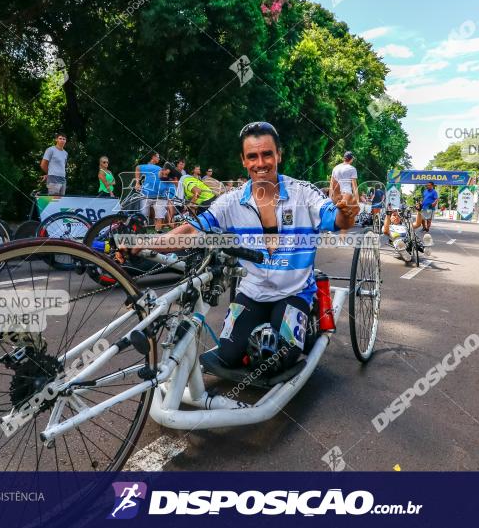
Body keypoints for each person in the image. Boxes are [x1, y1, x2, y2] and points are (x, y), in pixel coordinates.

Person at [136, 121, 359, 371]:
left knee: (275, 360)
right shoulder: (231, 201)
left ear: (278, 155)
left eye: (267, 154)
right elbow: (192, 229)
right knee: (229, 355)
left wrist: (347, 212)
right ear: (244, 160)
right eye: (252, 156)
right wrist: (147, 243)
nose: (260, 163)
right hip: (252, 293)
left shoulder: (303, 193)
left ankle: (308, 318)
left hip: (294, 293)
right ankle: (259, 328)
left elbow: (338, 220)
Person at [135, 152, 161, 220]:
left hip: (156, 194)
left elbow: (137, 168)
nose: (159, 159)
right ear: (153, 157)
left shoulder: (159, 168)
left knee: (156, 214)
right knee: (144, 214)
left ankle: (155, 228)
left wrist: (137, 183)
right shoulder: (149, 166)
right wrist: (137, 183)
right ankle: (144, 227)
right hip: (146, 193)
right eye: (158, 157)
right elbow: (137, 167)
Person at [414, 181, 438, 245]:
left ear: (432, 186)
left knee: (429, 219)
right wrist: (421, 203)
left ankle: (427, 229)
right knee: (422, 218)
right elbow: (424, 198)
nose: (428, 186)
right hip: (424, 207)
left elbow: (436, 199)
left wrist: (434, 203)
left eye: (429, 185)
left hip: (430, 207)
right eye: (427, 185)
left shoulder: (434, 192)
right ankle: (424, 227)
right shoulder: (425, 191)